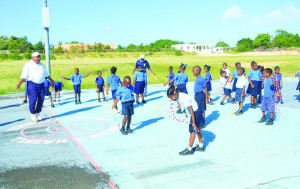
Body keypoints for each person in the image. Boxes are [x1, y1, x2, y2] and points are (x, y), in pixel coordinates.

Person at [16, 52, 55, 122]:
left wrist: (52, 80)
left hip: (41, 84)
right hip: (32, 85)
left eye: (39, 57)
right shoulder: (28, 65)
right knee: (32, 101)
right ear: (33, 57)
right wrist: (19, 84)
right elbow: (24, 76)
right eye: (37, 57)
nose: (38, 58)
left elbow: (46, 74)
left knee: (41, 100)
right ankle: (33, 113)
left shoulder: (41, 65)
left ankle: (38, 112)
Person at [166, 86, 204, 155]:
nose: (171, 99)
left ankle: (189, 149)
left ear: (175, 94)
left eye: (171, 97)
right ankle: (201, 146)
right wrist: (186, 112)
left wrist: (194, 123)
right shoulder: (178, 96)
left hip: (195, 112)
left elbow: (191, 109)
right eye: (170, 98)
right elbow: (184, 106)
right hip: (196, 111)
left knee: (192, 130)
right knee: (198, 129)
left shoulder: (183, 98)